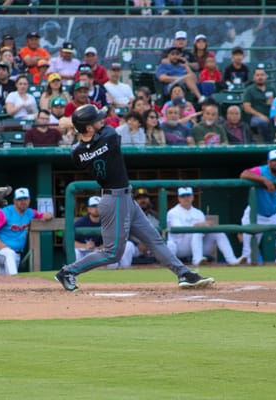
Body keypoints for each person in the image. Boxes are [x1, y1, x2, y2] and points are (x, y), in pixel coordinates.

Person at [54, 104, 214, 291]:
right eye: (97, 120)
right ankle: (68, 272)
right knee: (112, 253)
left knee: (154, 240)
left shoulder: (77, 152)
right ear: (89, 127)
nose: (102, 120)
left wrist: (74, 125)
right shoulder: (110, 137)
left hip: (124, 198)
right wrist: (73, 123)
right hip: (114, 200)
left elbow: (85, 140)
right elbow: (97, 133)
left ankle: (184, 274)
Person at [167, 187, 245, 266]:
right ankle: (197, 260)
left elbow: (203, 232)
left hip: (198, 247)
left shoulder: (198, 212)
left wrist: (208, 226)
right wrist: (199, 225)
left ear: (192, 197)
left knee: (218, 232)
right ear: (178, 198)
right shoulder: (173, 212)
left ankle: (232, 260)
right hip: (180, 247)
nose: (186, 198)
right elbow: (180, 230)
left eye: (188, 195)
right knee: (197, 231)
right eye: (183, 196)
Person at [0, 187, 53, 275]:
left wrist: (49, 215)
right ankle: (16, 282)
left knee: (4, 279)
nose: (23, 202)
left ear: (29, 200)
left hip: (17, 253)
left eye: (25, 199)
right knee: (9, 255)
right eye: (20, 199)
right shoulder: (6, 212)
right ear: (14, 201)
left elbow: (44, 215)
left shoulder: (30, 213)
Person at [73, 196, 138, 268]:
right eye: (94, 206)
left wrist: (105, 245)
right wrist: (85, 246)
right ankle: (78, 273)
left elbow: (118, 238)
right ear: (89, 209)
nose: (97, 209)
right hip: (86, 252)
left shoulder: (110, 221)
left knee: (128, 245)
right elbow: (69, 241)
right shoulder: (80, 223)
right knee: (76, 252)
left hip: (104, 252)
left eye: (99, 206)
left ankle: (124, 270)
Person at [243, 68, 274, 143]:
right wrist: (261, 116)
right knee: (261, 122)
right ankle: (266, 142)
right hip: (255, 117)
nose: (260, 77)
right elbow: (247, 108)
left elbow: (274, 105)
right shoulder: (249, 90)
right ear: (254, 77)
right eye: (258, 75)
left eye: (262, 75)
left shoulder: (271, 89)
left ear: (266, 77)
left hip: (270, 115)